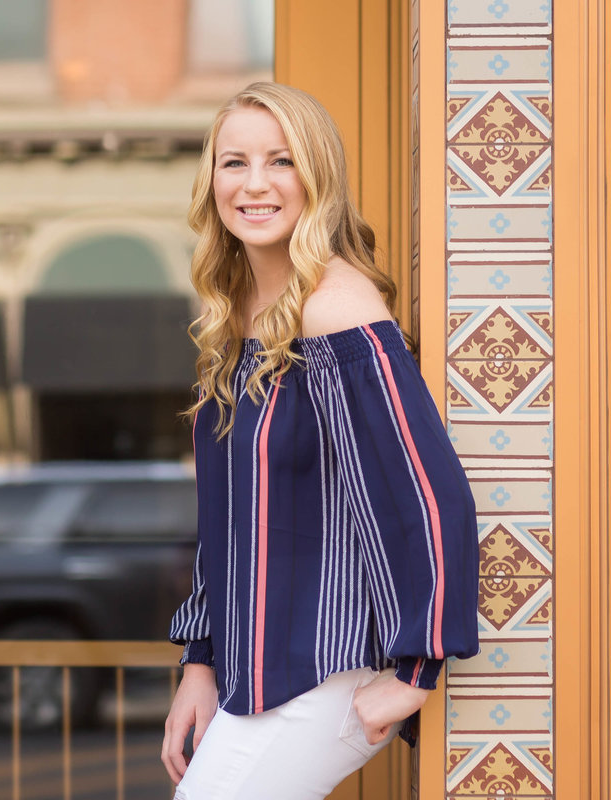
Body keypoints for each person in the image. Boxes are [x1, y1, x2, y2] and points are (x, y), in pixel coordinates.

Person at [161, 81, 480, 799]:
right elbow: (227, 520)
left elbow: (426, 495)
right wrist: (201, 663)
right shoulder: (238, 319)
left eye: (281, 161)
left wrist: (416, 674)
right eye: (233, 162)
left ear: (318, 177)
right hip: (257, 670)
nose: (255, 184)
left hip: (327, 672)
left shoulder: (335, 310)